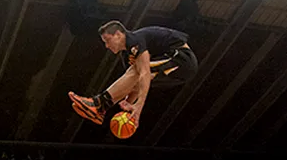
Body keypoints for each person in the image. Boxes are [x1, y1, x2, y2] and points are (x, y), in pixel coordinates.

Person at [69, 21, 198, 130]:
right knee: (135, 73)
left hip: (182, 59)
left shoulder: (134, 39)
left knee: (138, 70)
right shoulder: (127, 55)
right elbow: (135, 84)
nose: (107, 46)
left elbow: (144, 73)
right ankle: (100, 110)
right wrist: (127, 106)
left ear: (119, 35)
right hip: (179, 71)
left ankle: (98, 104)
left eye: (108, 40)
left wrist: (138, 107)